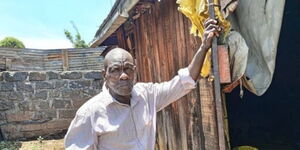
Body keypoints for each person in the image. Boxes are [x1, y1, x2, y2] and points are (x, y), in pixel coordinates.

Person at [64, 19, 221, 150]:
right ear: (104, 75)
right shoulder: (90, 113)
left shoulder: (147, 95)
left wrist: (204, 46)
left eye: (127, 69)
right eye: (115, 70)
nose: (123, 76)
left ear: (135, 71)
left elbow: (184, 82)